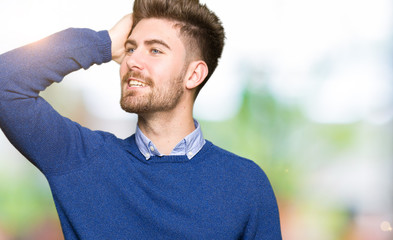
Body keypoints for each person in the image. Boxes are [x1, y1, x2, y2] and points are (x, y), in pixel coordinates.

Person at [0, 0, 282, 239]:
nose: (132, 61)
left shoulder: (247, 184)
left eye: (155, 50)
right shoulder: (79, 159)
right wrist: (104, 43)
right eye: (131, 48)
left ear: (194, 74)